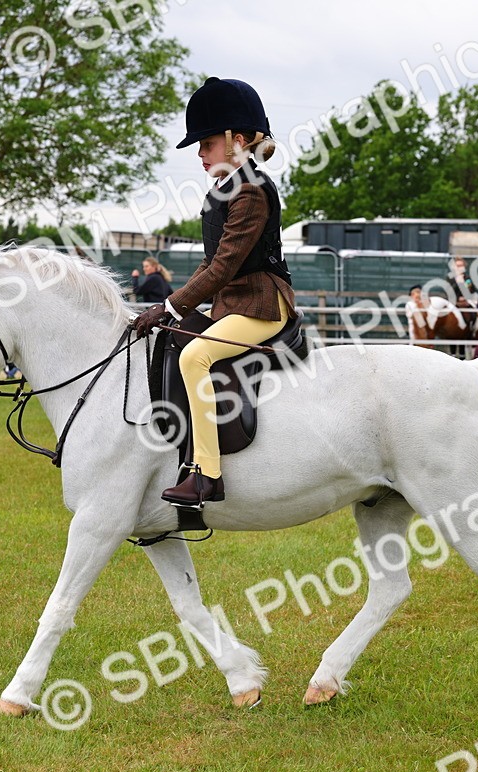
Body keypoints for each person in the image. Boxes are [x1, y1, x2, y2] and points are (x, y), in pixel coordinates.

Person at [132, 77, 297, 507]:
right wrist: (169, 308)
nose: (200, 154)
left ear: (237, 141)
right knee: (174, 337)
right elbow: (210, 263)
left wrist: (169, 305)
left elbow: (224, 267)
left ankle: (207, 475)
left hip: (262, 306)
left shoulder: (251, 191)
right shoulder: (223, 190)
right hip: (234, 305)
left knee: (195, 356)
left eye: (206, 144)